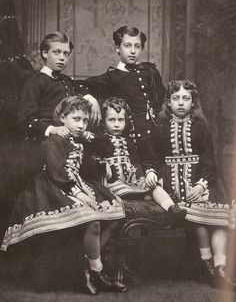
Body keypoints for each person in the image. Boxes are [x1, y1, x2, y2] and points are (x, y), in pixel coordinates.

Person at [1, 96, 127, 295]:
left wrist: (86, 134)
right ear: (62, 118)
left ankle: (90, 268)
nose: (81, 124)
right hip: (52, 187)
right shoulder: (55, 140)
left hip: (76, 183)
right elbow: (55, 171)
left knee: (114, 214)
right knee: (93, 221)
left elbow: (108, 146)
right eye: (76, 119)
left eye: (85, 120)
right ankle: (95, 272)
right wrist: (76, 192)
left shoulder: (78, 138)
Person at [143, 80, 235, 288]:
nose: (181, 103)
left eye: (186, 98)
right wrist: (150, 171)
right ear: (168, 102)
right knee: (199, 220)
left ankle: (220, 266)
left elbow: (209, 161)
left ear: (193, 103)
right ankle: (206, 263)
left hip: (197, 182)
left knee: (218, 217)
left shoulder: (201, 127)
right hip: (172, 185)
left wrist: (202, 185)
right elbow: (152, 157)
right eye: (176, 99)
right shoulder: (160, 127)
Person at [82, 97, 186, 221]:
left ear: (125, 122)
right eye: (111, 120)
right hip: (113, 183)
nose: (116, 124)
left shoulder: (129, 142)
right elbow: (91, 157)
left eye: (120, 120)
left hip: (131, 181)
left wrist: (144, 176)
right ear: (103, 122)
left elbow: (136, 162)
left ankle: (171, 208)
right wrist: (102, 165)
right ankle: (143, 197)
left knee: (154, 186)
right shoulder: (99, 140)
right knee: (123, 193)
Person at [84, 26, 166, 160]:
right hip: (133, 140)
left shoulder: (150, 71)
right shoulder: (112, 77)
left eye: (137, 46)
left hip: (156, 136)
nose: (133, 51)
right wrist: (90, 98)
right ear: (118, 48)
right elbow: (79, 85)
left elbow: (162, 98)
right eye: (127, 46)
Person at [19, 31, 100, 142]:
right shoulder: (35, 82)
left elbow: (81, 86)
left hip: (70, 138)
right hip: (45, 140)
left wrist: (90, 98)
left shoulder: (66, 80)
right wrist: (52, 129)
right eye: (57, 52)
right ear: (45, 53)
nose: (62, 57)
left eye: (66, 53)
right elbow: (26, 118)